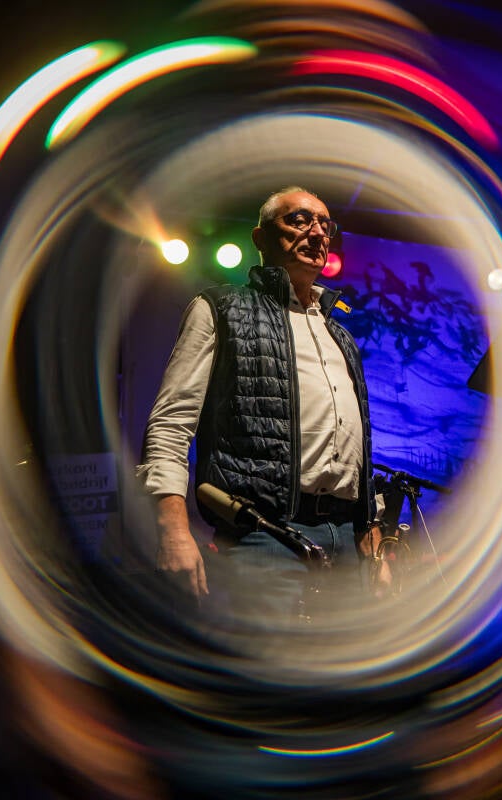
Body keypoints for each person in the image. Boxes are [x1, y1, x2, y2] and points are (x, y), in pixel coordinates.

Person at [135, 187, 379, 625]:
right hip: (264, 535)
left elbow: (360, 444)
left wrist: (370, 529)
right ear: (260, 237)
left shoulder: (339, 333)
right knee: (270, 661)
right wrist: (172, 530)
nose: (317, 233)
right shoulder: (221, 308)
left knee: (346, 665)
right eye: (299, 220)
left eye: (325, 225)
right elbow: (171, 424)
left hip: (346, 538)